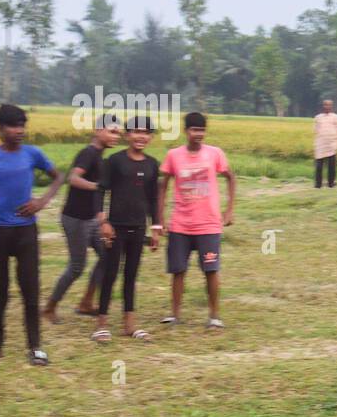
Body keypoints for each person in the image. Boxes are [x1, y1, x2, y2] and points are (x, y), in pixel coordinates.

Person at [0, 104, 64, 364]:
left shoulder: (33, 153)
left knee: (30, 288)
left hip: (25, 231)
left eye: (22, 125)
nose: (19, 131)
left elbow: (59, 177)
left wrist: (41, 201)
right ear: (1, 128)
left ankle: (35, 347)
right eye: (13, 126)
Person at [158, 111, 237, 329]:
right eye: (194, 130)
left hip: (208, 224)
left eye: (202, 130)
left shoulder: (215, 154)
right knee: (178, 271)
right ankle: (175, 314)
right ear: (186, 131)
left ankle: (214, 315)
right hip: (180, 225)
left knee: (211, 270)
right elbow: (162, 185)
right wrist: (160, 218)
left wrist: (229, 210)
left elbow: (230, 177)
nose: (198, 134)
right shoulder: (174, 155)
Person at [43, 114, 121, 324]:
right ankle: (50, 307)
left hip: (91, 218)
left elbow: (98, 194)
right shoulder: (88, 153)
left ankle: (86, 302)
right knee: (77, 266)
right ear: (97, 131)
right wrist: (97, 186)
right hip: (75, 218)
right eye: (112, 132)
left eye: (119, 134)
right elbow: (73, 178)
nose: (116, 137)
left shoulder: (101, 159)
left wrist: (101, 215)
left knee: (108, 255)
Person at [93, 116, 161, 343]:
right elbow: (100, 191)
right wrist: (104, 222)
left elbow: (153, 199)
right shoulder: (115, 161)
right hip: (115, 228)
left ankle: (129, 324)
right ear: (128, 135)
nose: (141, 136)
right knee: (110, 273)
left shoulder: (152, 164)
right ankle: (101, 324)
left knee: (131, 275)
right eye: (136, 131)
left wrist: (156, 227)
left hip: (139, 227)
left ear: (150, 137)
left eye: (146, 132)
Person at [313, 99, 337, 188]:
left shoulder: (336, 117)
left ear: (331, 107)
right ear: (323, 106)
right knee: (319, 166)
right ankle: (318, 184)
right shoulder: (318, 117)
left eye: (329, 105)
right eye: (325, 105)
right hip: (321, 144)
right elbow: (316, 130)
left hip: (332, 144)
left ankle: (331, 183)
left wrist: (335, 141)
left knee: (332, 166)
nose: (327, 107)